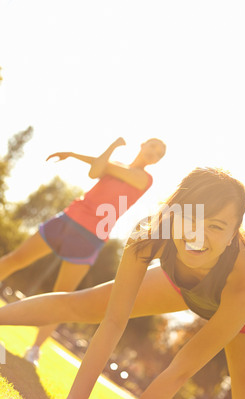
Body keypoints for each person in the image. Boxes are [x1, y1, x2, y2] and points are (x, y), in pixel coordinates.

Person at [0, 167, 245, 399]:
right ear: (173, 213)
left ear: (234, 234)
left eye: (216, 226)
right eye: (190, 219)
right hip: (184, 282)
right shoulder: (151, 234)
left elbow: (179, 371)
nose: (198, 235)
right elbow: (113, 322)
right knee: (83, 305)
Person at [0, 136, 166, 364]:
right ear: (143, 145)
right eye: (152, 146)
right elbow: (95, 171)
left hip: (91, 235)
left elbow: (102, 167)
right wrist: (94, 150)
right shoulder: (116, 165)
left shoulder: (144, 178)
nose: (153, 152)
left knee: (62, 296)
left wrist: (81, 154)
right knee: (15, 258)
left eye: (158, 153)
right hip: (68, 218)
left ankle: (35, 349)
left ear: (156, 161)